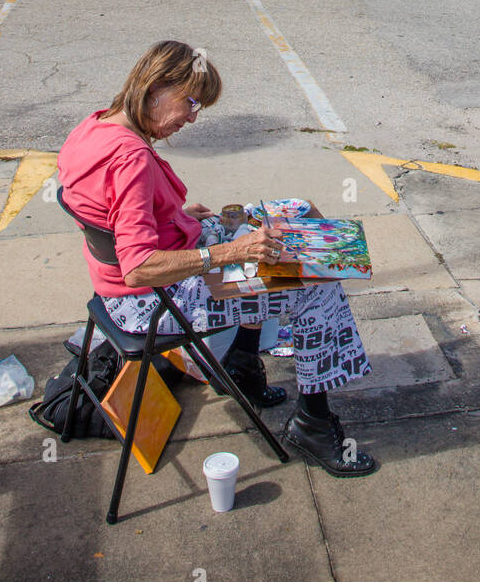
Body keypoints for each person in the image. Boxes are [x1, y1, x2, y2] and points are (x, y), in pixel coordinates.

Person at [57, 40, 375, 477]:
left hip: (133, 283)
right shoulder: (131, 159)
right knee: (317, 287)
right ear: (154, 87)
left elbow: (105, 211)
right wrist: (230, 251)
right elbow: (137, 267)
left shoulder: (95, 126)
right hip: (153, 303)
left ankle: (242, 362)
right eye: (189, 102)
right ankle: (313, 426)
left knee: (294, 211)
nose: (192, 116)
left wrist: (170, 216)